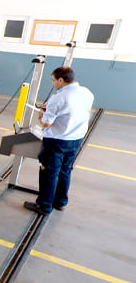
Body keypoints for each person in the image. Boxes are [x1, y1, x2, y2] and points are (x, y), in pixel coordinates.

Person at [23, 66, 94, 215]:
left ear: (61, 80)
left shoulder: (58, 98)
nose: (53, 83)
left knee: (49, 172)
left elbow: (46, 123)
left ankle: (44, 205)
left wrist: (42, 114)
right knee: (65, 170)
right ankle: (60, 202)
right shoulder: (87, 93)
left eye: (53, 80)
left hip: (57, 141)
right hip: (76, 138)